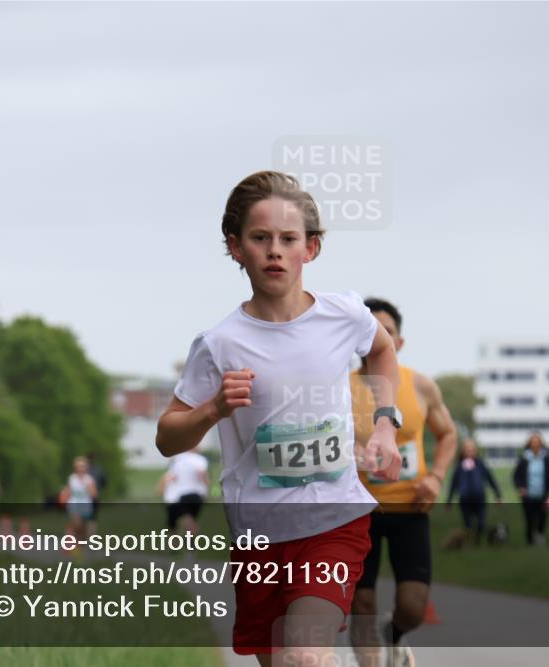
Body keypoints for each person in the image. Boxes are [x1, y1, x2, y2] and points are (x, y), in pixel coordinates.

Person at [156, 171, 402, 667]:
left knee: (306, 656)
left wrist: (383, 423)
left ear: (310, 249)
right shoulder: (219, 344)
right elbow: (166, 437)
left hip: (334, 520)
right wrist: (213, 409)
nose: (275, 251)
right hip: (260, 534)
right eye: (260, 238)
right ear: (235, 247)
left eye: (288, 239)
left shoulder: (344, 315)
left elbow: (382, 351)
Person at [348, 297, 458, 667]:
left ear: (399, 341)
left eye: (388, 331)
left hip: (411, 507)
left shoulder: (421, 387)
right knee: (362, 604)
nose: (380, 337)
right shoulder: (336, 388)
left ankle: (394, 634)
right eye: (371, 331)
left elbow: (448, 435)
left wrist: (437, 476)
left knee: (412, 607)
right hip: (356, 512)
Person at [446, 438, 502, 546]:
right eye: (467, 449)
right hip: (465, 500)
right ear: (463, 451)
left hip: (480, 499)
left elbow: (491, 479)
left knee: (481, 524)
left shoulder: (481, 464)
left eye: (471, 449)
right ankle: (469, 542)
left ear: (475, 451)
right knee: (468, 524)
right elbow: (453, 484)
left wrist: (498, 495)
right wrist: (449, 501)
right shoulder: (459, 466)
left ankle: (478, 541)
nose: (469, 451)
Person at [512, 432, 549, 546]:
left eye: (537, 442)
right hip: (527, 496)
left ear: (541, 444)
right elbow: (516, 476)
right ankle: (529, 541)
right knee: (529, 519)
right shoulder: (524, 459)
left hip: (543, 495)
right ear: (529, 444)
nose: (535, 445)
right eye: (533, 442)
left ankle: (539, 536)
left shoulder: (547, 459)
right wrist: (520, 487)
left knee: (542, 518)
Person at [158, 445, 210, 535]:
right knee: (190, 519)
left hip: (179, 495)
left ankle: (180, 544)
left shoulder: (178, 459)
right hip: (196, 494)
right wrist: (206, 490)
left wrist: (162, 490)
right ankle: (190, 542)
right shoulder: (200, 459)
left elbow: (169, 476)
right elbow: (202, 474)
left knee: (179, 521)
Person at [63, 456, 97, 542]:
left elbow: (94, 494)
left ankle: (81, 539)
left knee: (83, 526)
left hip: (85, 504)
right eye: (78, 466)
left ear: (86, 467)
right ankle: (76, 539)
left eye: (82, 466)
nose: (80, 468)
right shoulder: (72, 478)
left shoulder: (89, 479)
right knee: (76, 522)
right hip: (74, 503)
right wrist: (65, 494)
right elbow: (68, 491)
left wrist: (88, 488)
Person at [86, 453, 107, 534]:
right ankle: (89, 534)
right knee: (90, 517)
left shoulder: (96, 470)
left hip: (92, 496)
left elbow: (104, 482)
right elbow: (104, 483)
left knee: (92, 516)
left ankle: (90, 534)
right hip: (89, 496)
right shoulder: (98, 470)